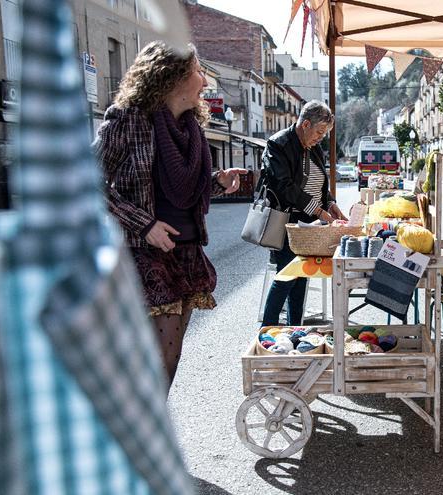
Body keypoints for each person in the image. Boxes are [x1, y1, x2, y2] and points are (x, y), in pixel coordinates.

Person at [93, 41, 247, 389]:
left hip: (188, 252)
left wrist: (217, 184)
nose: (204, 81)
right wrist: (144, 224)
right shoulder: (128, 119)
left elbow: (181, 189)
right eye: (197, 71)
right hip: (143, 253)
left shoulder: (190, 127)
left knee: (168, 357)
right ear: (172, 76)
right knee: (161, 355)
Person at [260, 101, 345, 326]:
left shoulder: (312, 146)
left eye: (324, 134)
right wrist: (317, 210)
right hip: (286, 221)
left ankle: (294, 328)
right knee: (287, 275)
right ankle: (266, 329)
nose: (320, 138)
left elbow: (319, 182)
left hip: (306, 224)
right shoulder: (279, 144)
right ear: (305, 124)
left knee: (301, 278)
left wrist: (330, 203)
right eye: (319, 132)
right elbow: (284, 186)